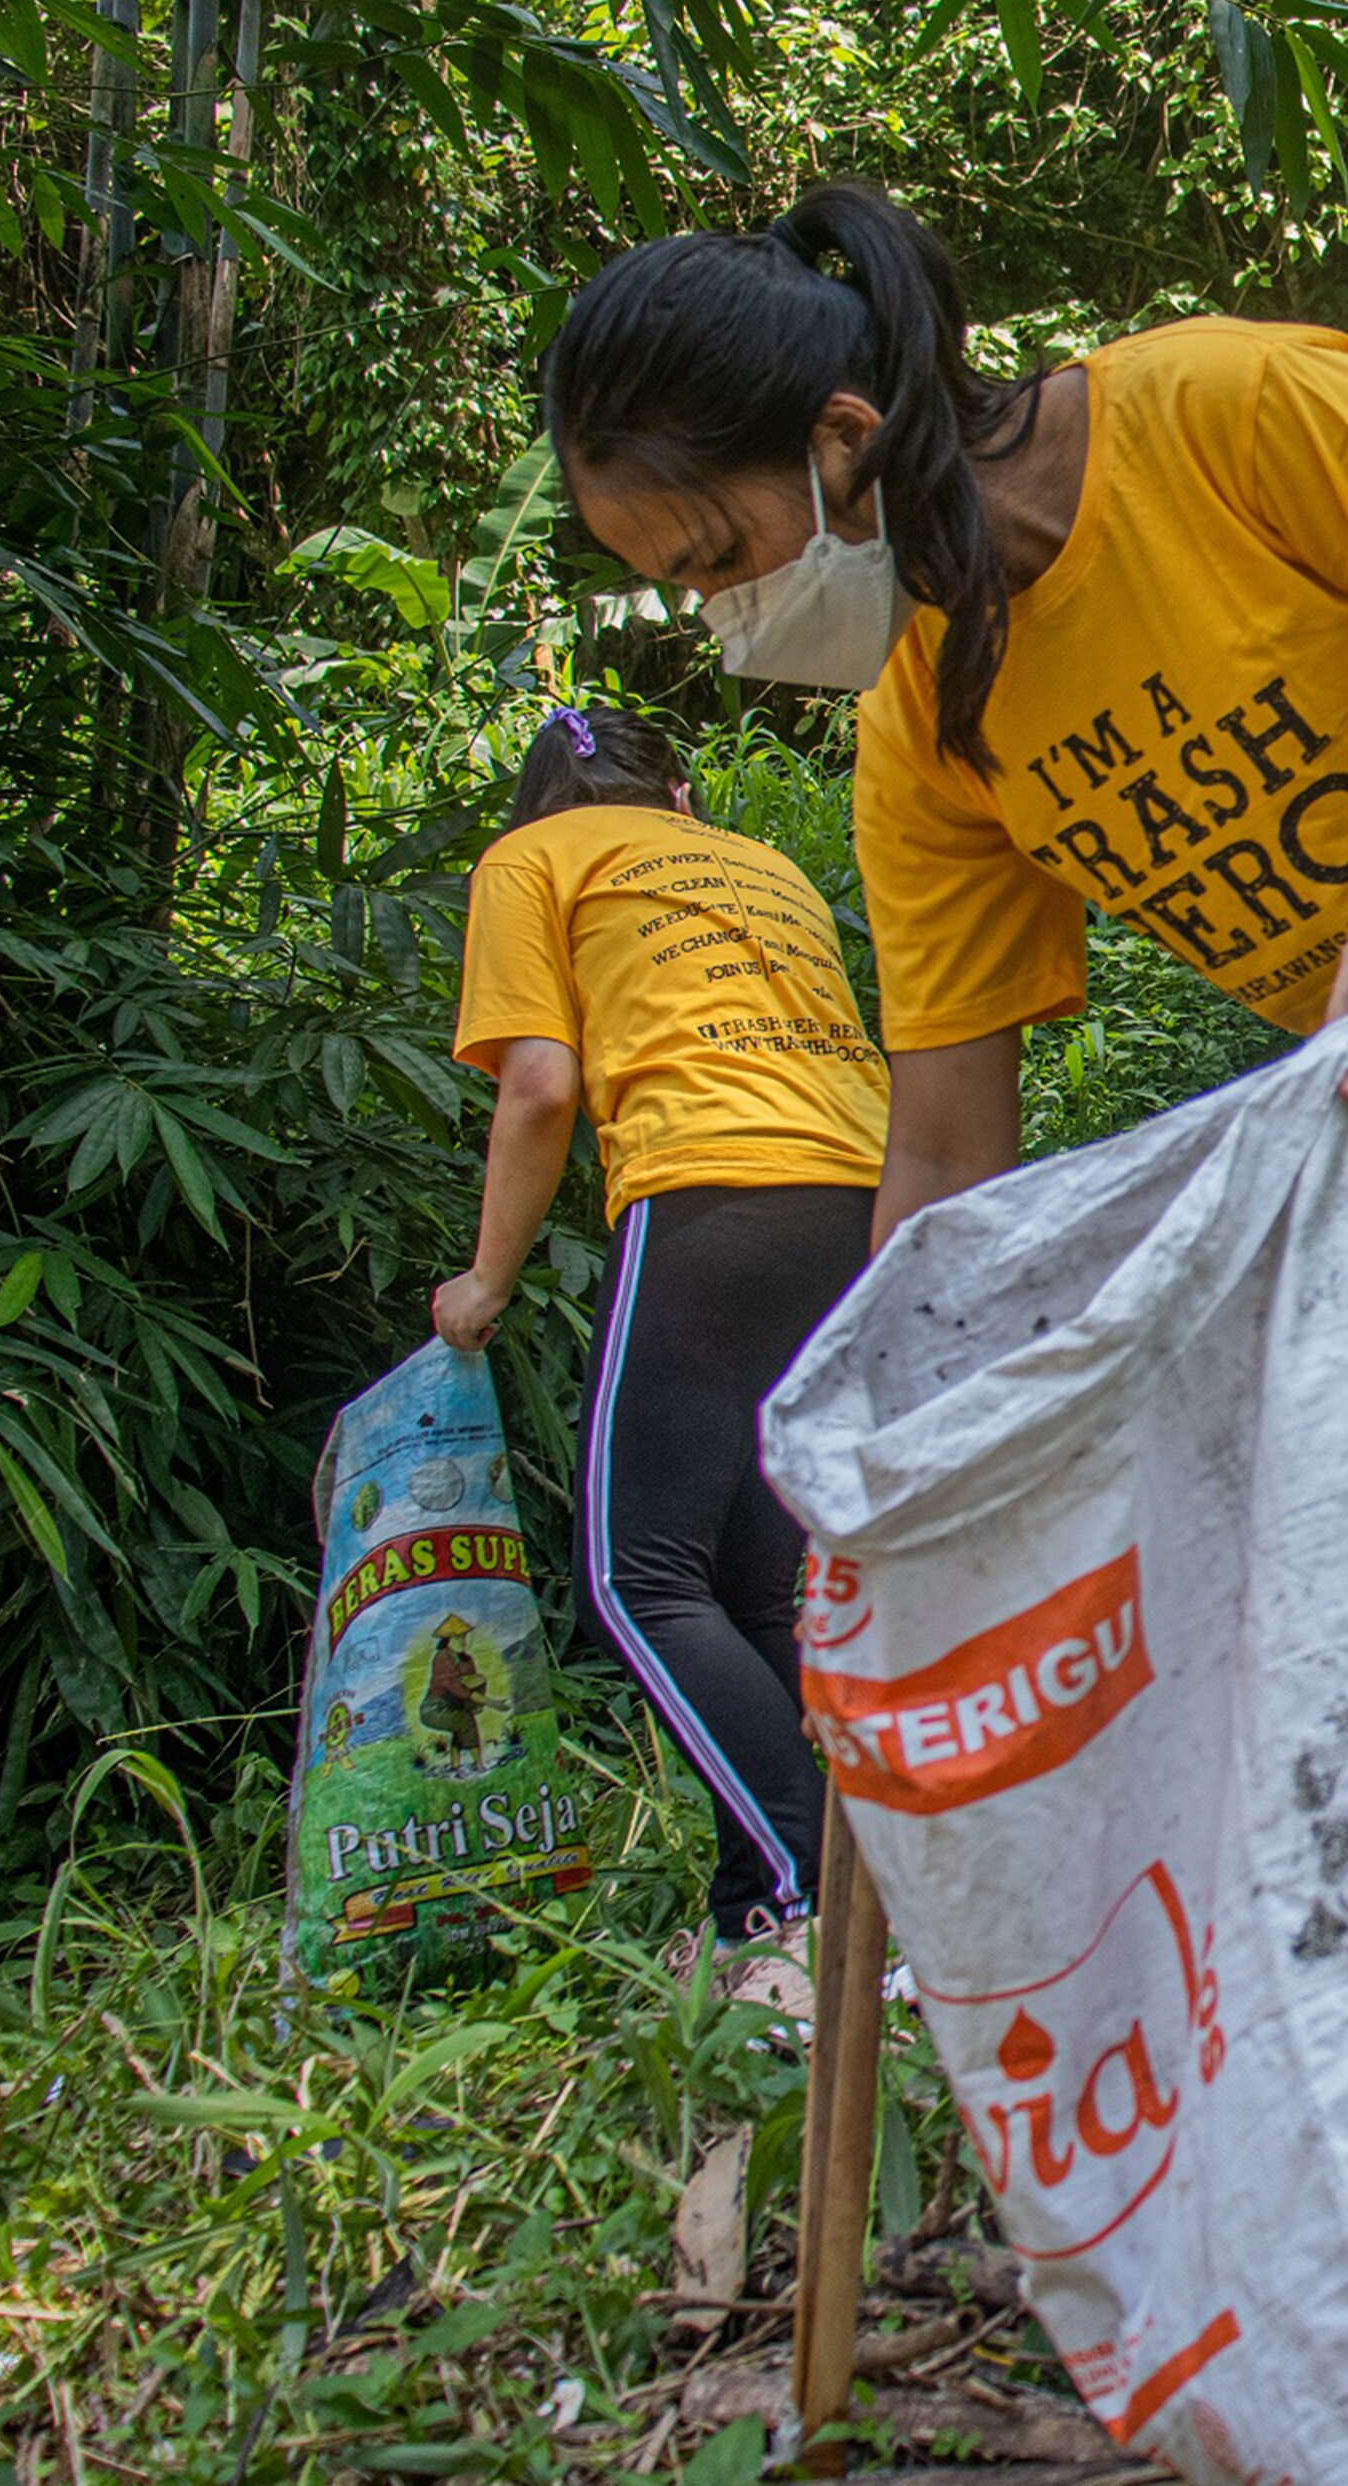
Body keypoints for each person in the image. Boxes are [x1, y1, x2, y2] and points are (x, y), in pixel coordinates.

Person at [538, 181, 1348, 2375]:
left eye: (716, 557)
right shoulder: (925, 730)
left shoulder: (1227, 409)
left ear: (843, 440)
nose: (721, 616)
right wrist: (881, 1449)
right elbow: (947, 1146)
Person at [437, 701, 893, 2019]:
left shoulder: (533, 860)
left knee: (630, 1579)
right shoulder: (762, 863)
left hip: (707, 1193)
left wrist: (486, 1281)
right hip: (859, 1204)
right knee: (759, 1585)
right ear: (681, 793)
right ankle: (767, 1914)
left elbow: (538, 1084)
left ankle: (817, 1903)